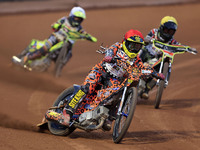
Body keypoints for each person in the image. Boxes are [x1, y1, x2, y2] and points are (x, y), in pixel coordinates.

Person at [45, 29, 165, 130]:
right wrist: (108, 56)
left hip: (115, 80)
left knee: (116, 95)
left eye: (138, 46)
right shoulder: (117, 46)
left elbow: (143, 67)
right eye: (133, 45)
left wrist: (155, 73)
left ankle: (109, 117)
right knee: (88, 87)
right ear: (126, 43)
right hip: (101, 71)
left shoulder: (137, 59)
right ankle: (67, 111)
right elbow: (109, 50)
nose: (135, 48)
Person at [139, 16, 197, 99]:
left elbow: (178, 45)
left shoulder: (171, 41)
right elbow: (146, 38)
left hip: (156, 60)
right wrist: (147, 40)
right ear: (161, 27)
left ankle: (146, 90)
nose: (168, 33)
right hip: (146, 55)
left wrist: (188, 48)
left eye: (171, 31)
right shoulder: (154, 32)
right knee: (139, 52)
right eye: (166, 30)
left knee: (160, 71)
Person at [16, 6, 97, 65]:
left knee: (70, 54)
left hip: (68, 41)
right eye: (76, 18)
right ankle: (27, 58)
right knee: (46, 47)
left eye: (79, 19)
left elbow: (84, 33)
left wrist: (90, 37)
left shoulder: (79, 27)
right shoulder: (64, 20)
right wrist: (55, 25)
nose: (77, 20)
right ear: (72, 16)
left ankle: (56, 66)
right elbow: (56, 24)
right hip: (57, 37)